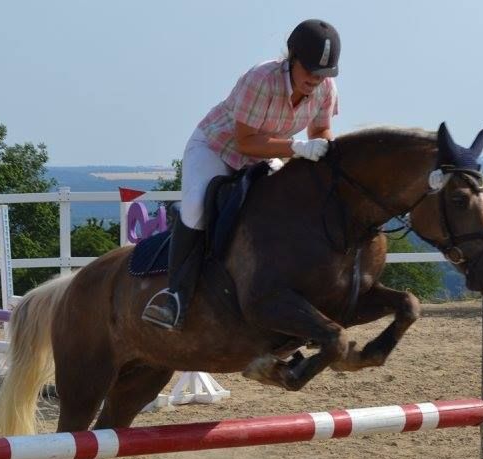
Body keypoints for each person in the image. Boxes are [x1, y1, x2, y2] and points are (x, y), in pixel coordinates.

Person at [142, 18, 341, 330]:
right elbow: (245, 141)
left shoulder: (325, 88)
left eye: (323, 73)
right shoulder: (261, 79)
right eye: (311, 70)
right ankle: (174, 297)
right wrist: (298, 148)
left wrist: (328, 149)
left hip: (267, 154)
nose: (316, 79)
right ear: (293, 58)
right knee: (196, 206)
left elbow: (320, 130)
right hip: (216, 148)